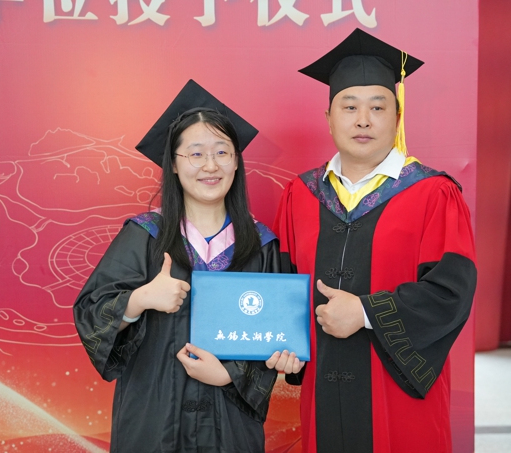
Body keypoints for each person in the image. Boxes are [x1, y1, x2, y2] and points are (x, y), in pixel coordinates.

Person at [272, 29, 477, 453]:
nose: (362, 120)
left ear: (397, 118)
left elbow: (451, 294)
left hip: (400, 400)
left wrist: (366, 313)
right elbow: (282, 287)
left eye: (377, 107)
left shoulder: (433, 193)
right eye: (349, 107)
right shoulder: (301, 195)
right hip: (324, 394)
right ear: (329, 118)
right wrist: (282, 346)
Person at [74, 80, 286, 452]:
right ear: (173, 164)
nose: (211, 165)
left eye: (222, 152)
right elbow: (91, 313)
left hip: (229, 425)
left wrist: (229, 373)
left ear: (236, 161)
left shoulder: (260, 244)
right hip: (153, 419)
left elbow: (276, 337)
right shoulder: (144, 235)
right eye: (196, 154)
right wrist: (140, 299)